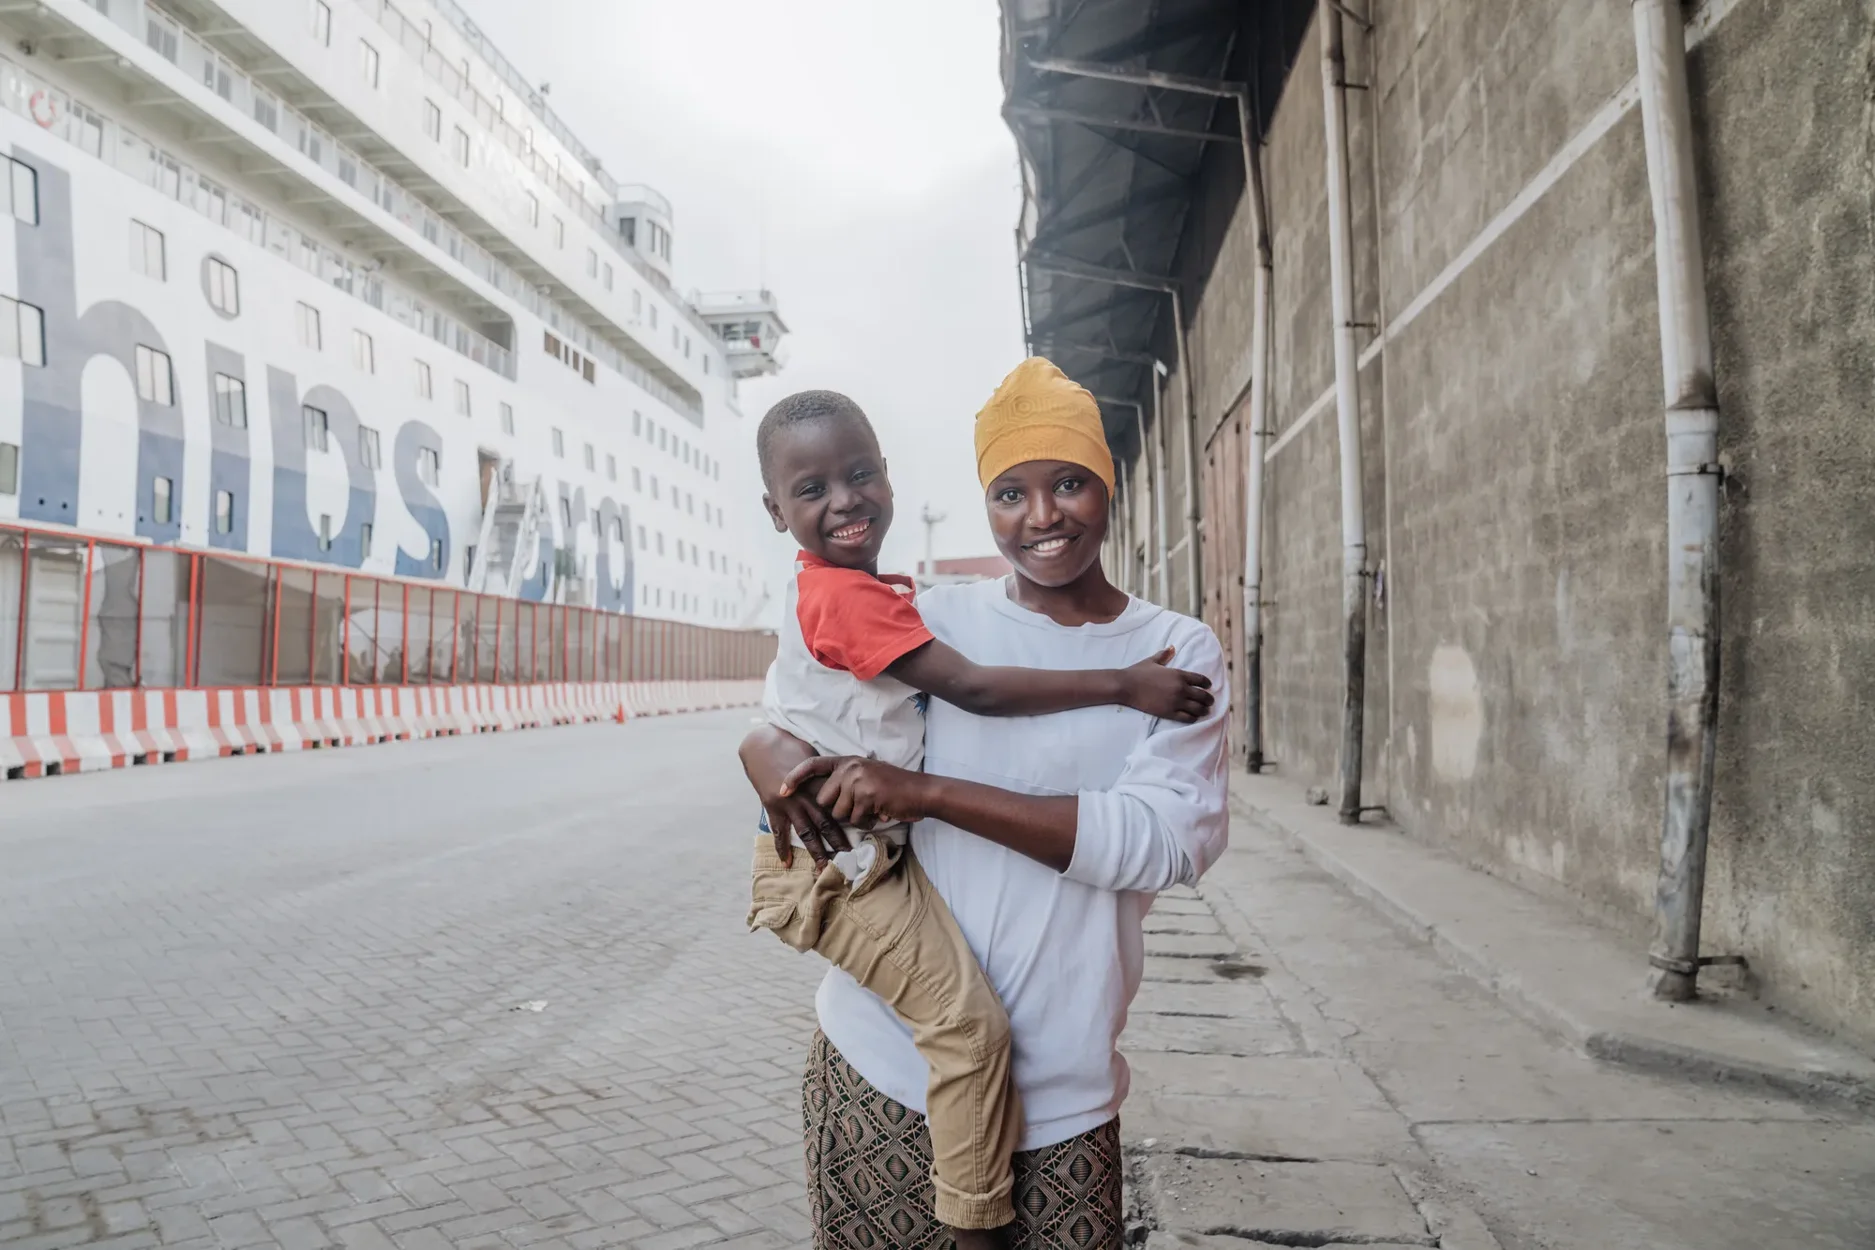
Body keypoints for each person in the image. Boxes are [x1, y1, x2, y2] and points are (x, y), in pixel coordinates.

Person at [741, 357, 1232, 1250]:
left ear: (1108, 485)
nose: (1042, 517)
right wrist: (765, 753)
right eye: (1010, 491)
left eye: (1070, 483)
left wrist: (924, 792)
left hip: (1060, 1087)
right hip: (880, 1060)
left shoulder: (1174, 650)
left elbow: (1161, 843)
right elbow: (786, 707)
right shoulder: (940, 615)